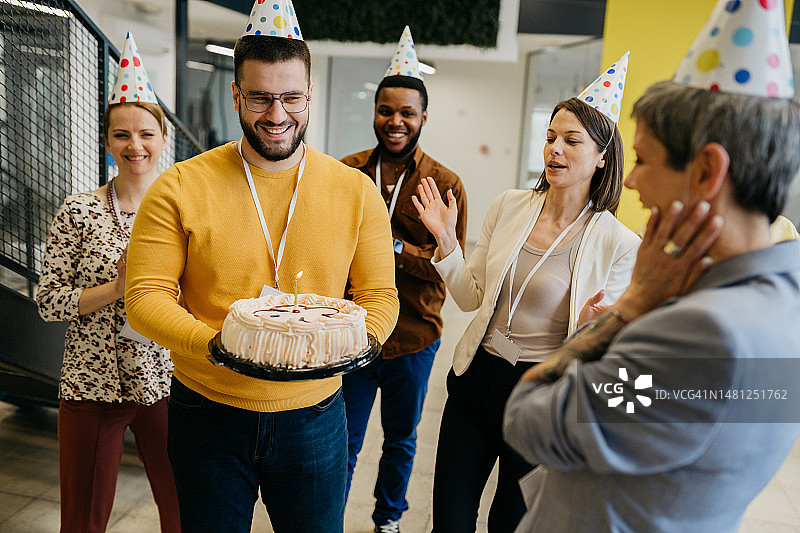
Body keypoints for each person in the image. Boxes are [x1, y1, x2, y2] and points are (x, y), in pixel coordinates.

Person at [502, 5, 800, 532]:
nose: (632, 182)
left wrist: (629, 310)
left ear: (707, 170)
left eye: (644, 159)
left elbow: (529, 420)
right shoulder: (783, 299)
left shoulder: (702, 332)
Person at [123, 3, 399, 532]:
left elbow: (380, 297)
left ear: (310, 96)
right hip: (207, 411)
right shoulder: (179, 187)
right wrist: (219, 346)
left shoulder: (354, 191)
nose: (277, 114)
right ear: (236, 95)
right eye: (261, 98)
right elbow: (146, 297)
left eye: (292, 97)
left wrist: (358, 342)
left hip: (314, 416)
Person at [413, 53, 640, 533]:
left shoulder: (619, 244)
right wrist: (448, 244)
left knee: (511, 525)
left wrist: (597, 329)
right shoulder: (510, 205)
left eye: (571, 141)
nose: (555, 149)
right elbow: (471, 297)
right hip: (476, 379)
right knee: (450, 520)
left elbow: (599, 340)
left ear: (602, 157)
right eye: (551, 137)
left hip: (541, 394)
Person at [35, 32, 180, 533]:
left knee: (184, 507)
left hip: (166, 376)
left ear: (163, 138)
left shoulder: (183, 213)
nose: (134, 145)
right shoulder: (77, 211)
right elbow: (49, 302)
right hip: (91, 381)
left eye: (145, 133)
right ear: (107, 141)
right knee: (82, 518)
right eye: (122, 134)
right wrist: (116, 290)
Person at [339, 26, 467, 533]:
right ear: (374, 112)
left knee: (400, 438)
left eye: (406, 113)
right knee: (342, 437)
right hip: (351, 329)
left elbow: (445, 261)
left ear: (423, 118)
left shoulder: (446, 183)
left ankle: (388, 520)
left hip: (413, 335)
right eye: (386, 110)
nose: (395, 121)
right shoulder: (347, 173)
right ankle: (328, 514)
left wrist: (389, 246)